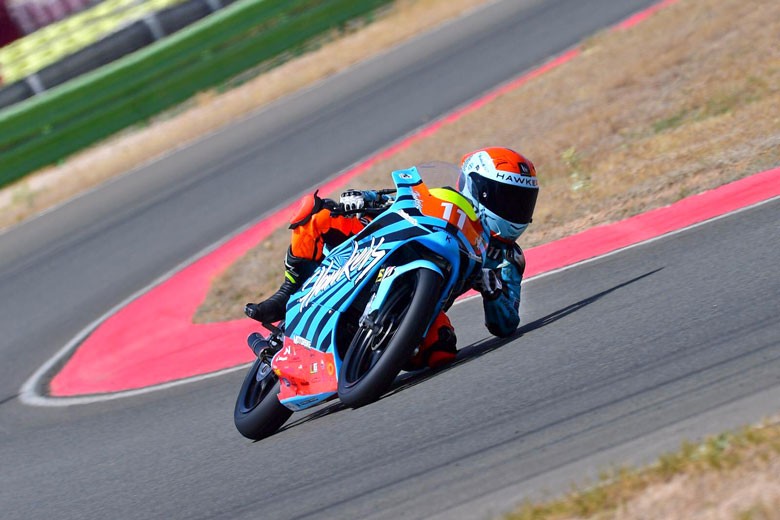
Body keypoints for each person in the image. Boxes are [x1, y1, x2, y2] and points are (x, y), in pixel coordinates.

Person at [245, 147, 539, 369]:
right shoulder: (445, 198)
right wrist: (364, 199)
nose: (515, 210)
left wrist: (493, 290)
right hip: (386, 245)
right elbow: (405, 199)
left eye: (522, 203)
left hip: (422, 302)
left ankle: (368, 356)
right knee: (319, 215)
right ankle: (288, 292)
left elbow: (505, 323)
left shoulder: (508, 259)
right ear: (478, 189)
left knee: (442, 351)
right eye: (507, 198)